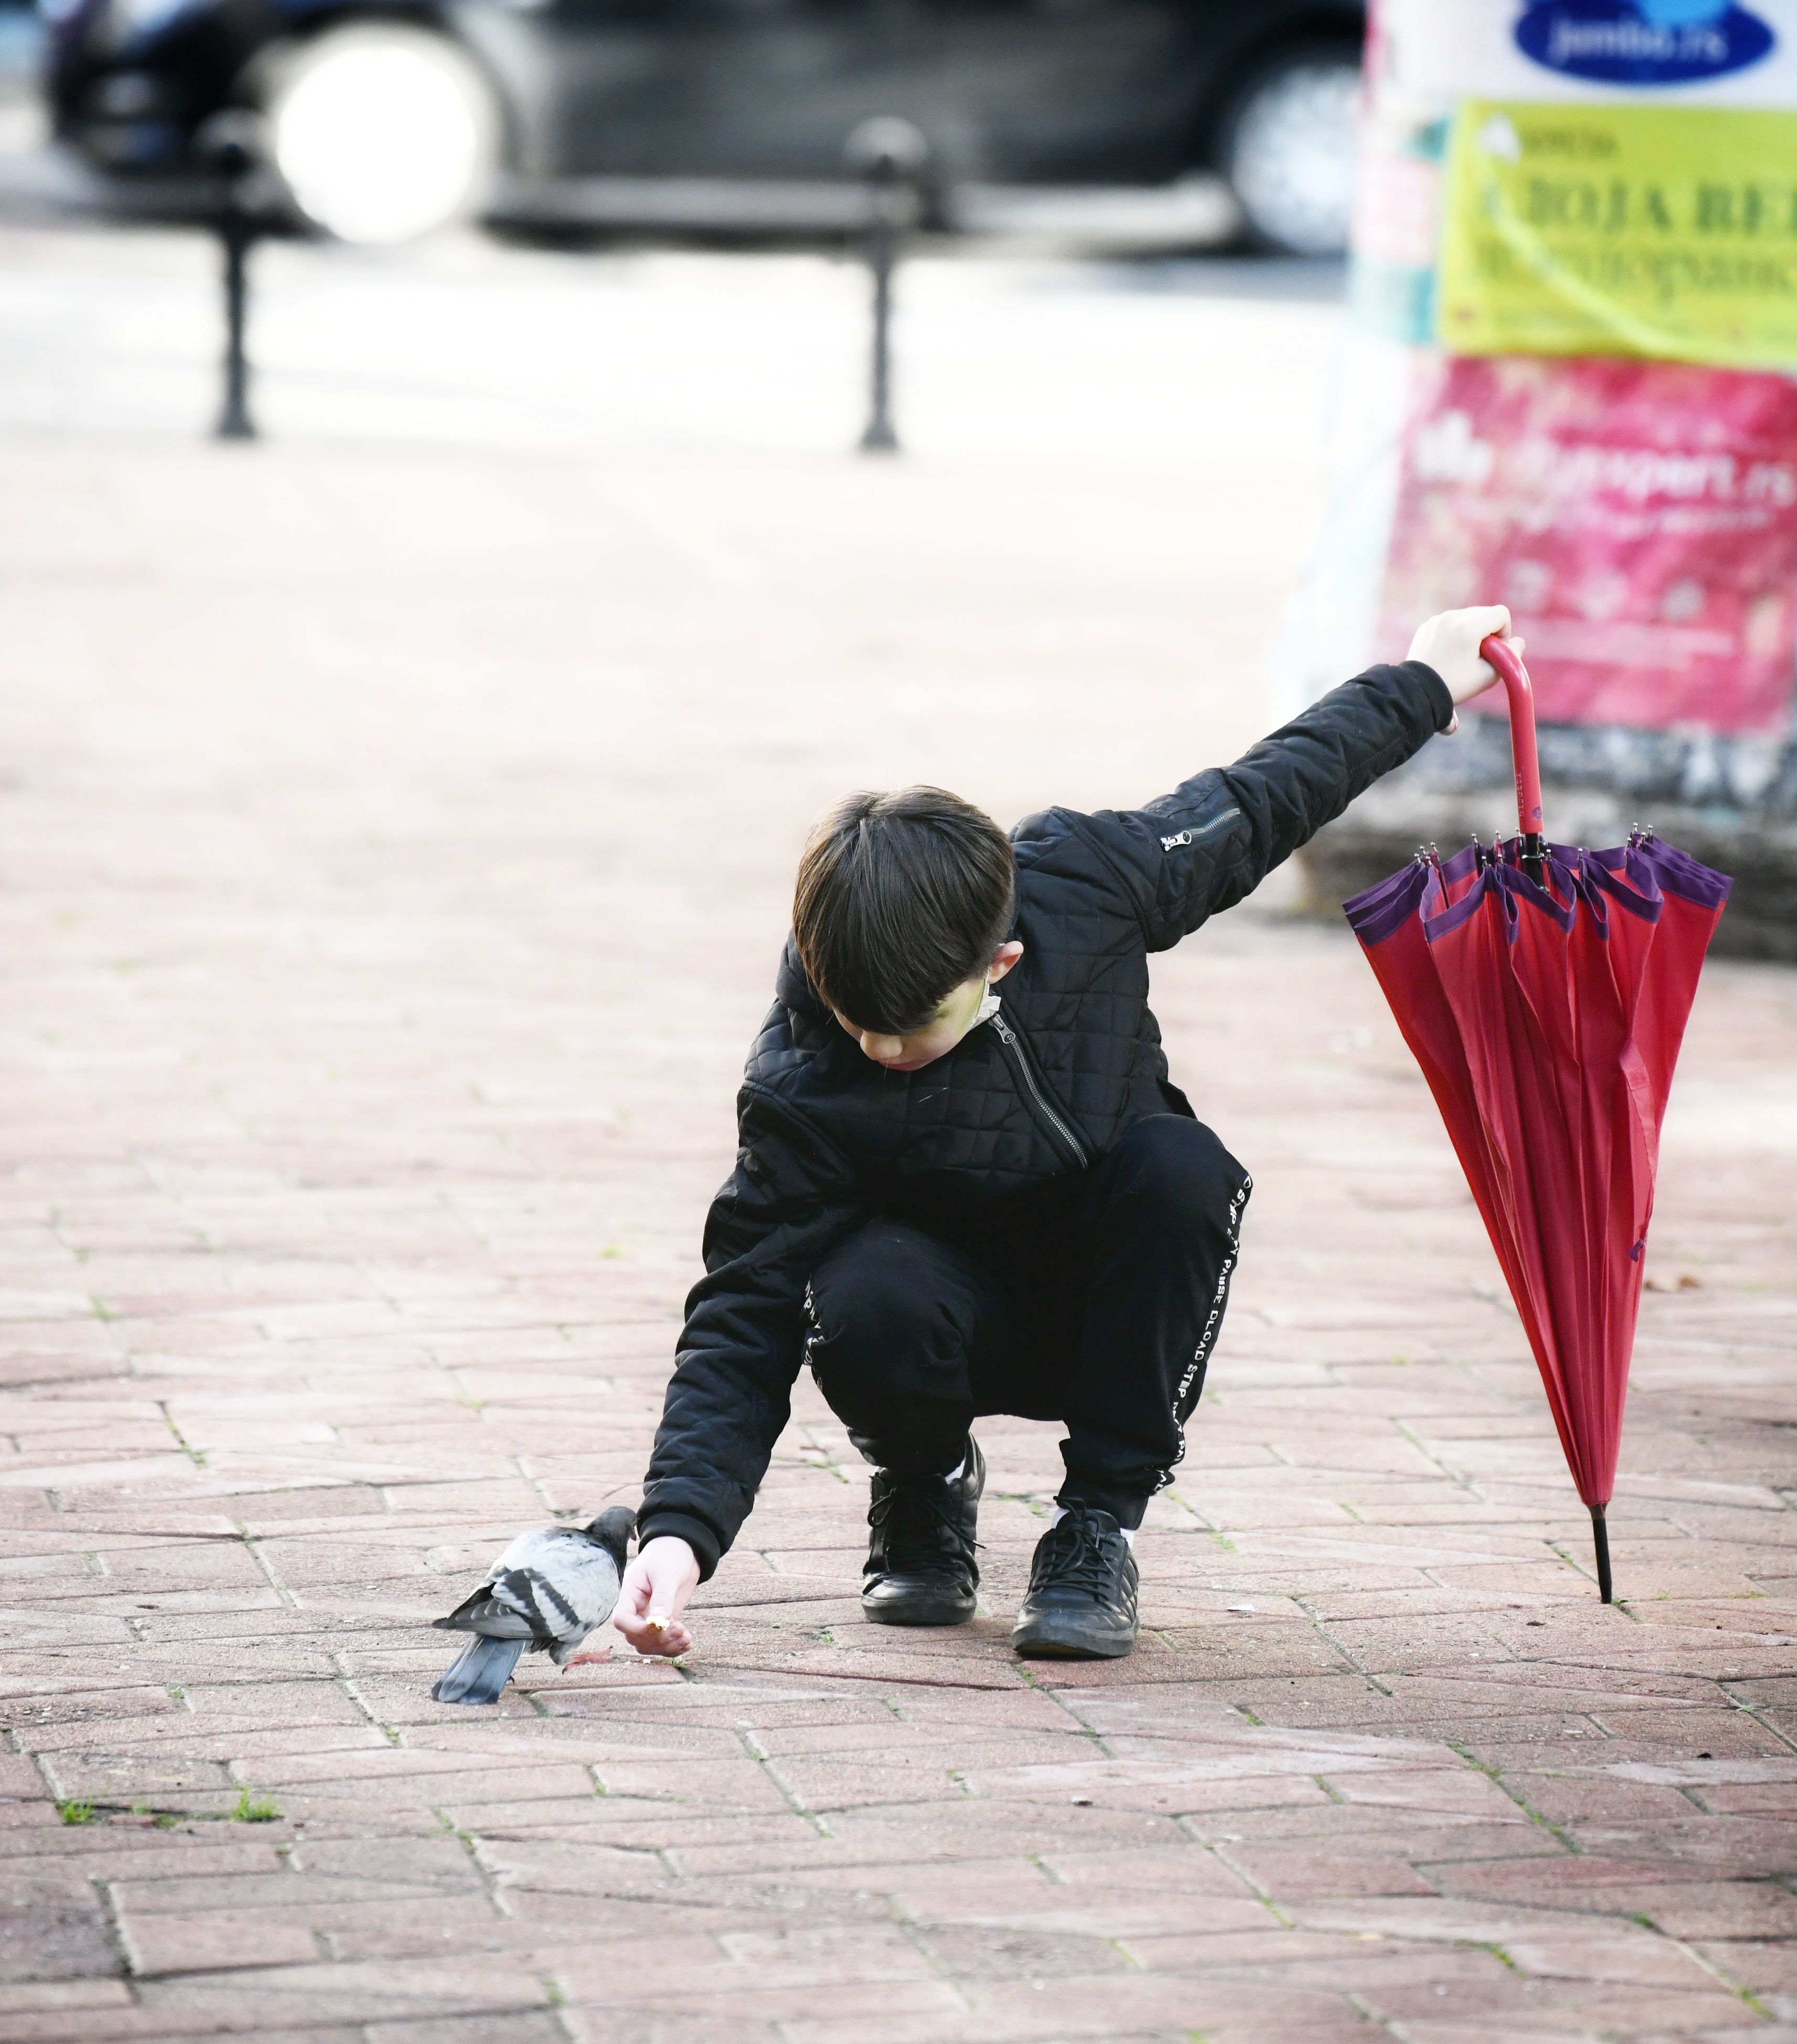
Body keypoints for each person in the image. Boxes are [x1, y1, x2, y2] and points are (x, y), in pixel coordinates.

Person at [612, 606, 1520, 1662]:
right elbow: (744, 1306)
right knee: (859, 1294)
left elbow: (1264, 795)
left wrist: (1419, 683)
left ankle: (1098, 1524)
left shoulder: (1092, 881)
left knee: (1183, 1170)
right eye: (857, 1022)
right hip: (937, 1321)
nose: (879, 1046)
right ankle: (925, 1481)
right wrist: (678, 1531)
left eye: (911, 1025)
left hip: (1113, 1308)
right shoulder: (804, 1072)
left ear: (997, 962)